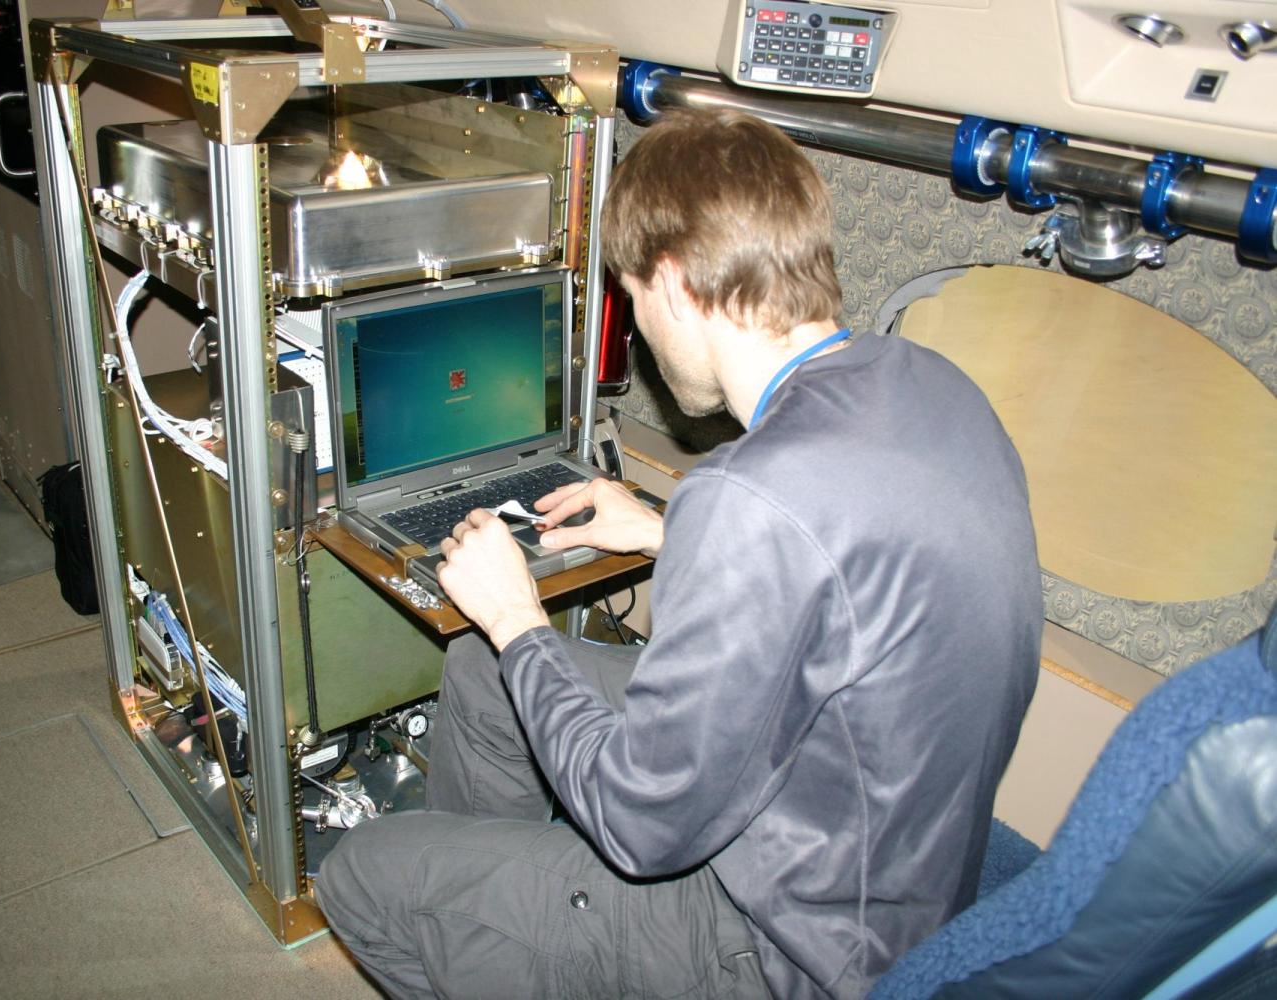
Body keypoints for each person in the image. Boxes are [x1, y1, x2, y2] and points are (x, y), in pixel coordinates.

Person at [316, 109, 1041, 999]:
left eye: (630, 293)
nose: (643, 330)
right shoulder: (929, 382)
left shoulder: (747, 497)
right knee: (478, 671)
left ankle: (499, 917)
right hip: (887, 859)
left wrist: (516, 618)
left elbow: (639, 826)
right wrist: (665, 528)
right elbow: (858, 562)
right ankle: (494, 917)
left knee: (365, 873)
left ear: (671, 281)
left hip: (782, 949)